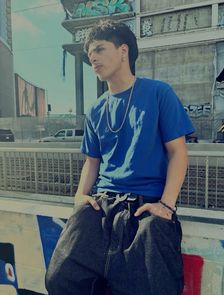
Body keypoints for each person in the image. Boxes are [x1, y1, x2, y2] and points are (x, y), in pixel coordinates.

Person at [45, 19, 195, 295]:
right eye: (90, 55)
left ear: (123, 50)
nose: (94, 59)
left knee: (149, 287)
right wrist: (80, 196)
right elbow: (92, 162)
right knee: (60, 279)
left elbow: (178, 153)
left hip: (145, 206)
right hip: (101, 205)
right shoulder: (96, 109)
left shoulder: (159, 93)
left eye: (100, 50)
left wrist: (166, 205)